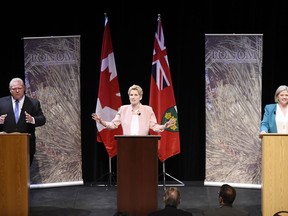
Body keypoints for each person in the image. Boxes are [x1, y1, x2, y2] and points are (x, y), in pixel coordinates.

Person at [92, 84, 175, 135]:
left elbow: (154, 126)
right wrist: (101, 121)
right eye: (131, 95)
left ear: (140, 97)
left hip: (143, 144)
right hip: (126, 144)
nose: (133, 97)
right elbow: (113, 125)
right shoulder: (123, 109)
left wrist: (164, 126)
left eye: (135, 95)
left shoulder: (148, 110)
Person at [0, 77, 46, 166]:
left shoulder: (34, 103)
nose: (17, 91)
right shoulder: (1, 102)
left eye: (19, 88)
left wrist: (32, 119)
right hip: (6, 146)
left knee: (24, 174)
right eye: (14, 89)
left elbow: (42, 119)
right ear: (10, 90)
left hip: (26, 146)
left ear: (24, 88)